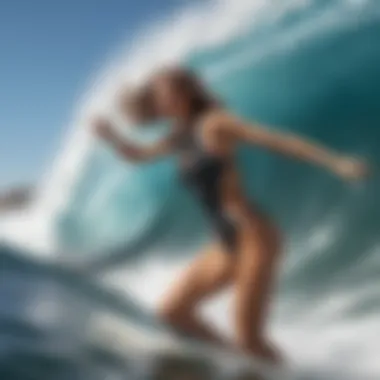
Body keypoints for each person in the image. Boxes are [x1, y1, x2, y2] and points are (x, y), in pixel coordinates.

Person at [93, 67, 368, 364]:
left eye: (167, 93)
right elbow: (139, 156)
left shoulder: (215, 123)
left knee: (250, 340)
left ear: (187, 93)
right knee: (172, 314)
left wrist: (336, 162)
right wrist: (112, 138)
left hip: (254, 237)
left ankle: (266, 369)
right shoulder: (178, 136)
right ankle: (237, 366)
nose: (161, 101)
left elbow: (276, 141)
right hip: (223, 245)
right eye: (158, 97)